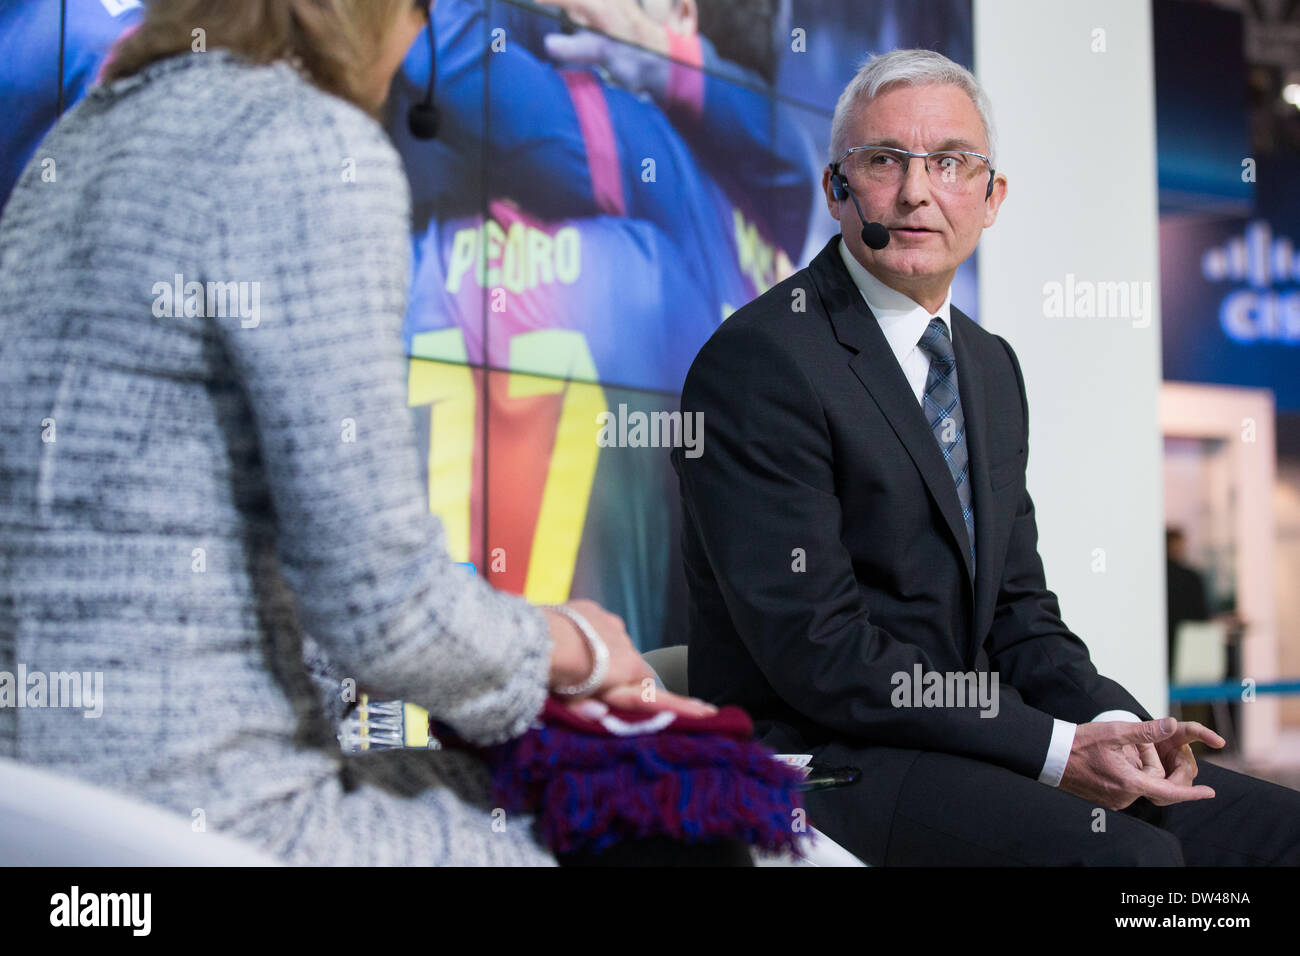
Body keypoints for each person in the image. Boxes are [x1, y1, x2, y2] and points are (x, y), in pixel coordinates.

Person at [0, 0, 740, 866]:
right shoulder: (310, 145)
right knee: (687, 823)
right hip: (220, 813)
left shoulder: (83, 138)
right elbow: (379, 606)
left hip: (44, 802)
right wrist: (572, 647)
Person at [672, 48, 1300, 865]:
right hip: (824, 760)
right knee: (1132, 863)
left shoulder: (987, 363)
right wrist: (1052, 747)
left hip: (960, 742)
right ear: (837, 188)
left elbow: (1020, 613)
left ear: (991, 197)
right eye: (883, 161)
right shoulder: (762, 360)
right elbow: (821, 652)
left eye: (952, 162)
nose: (917, 191)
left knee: (1276, 830)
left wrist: (1114, 726)